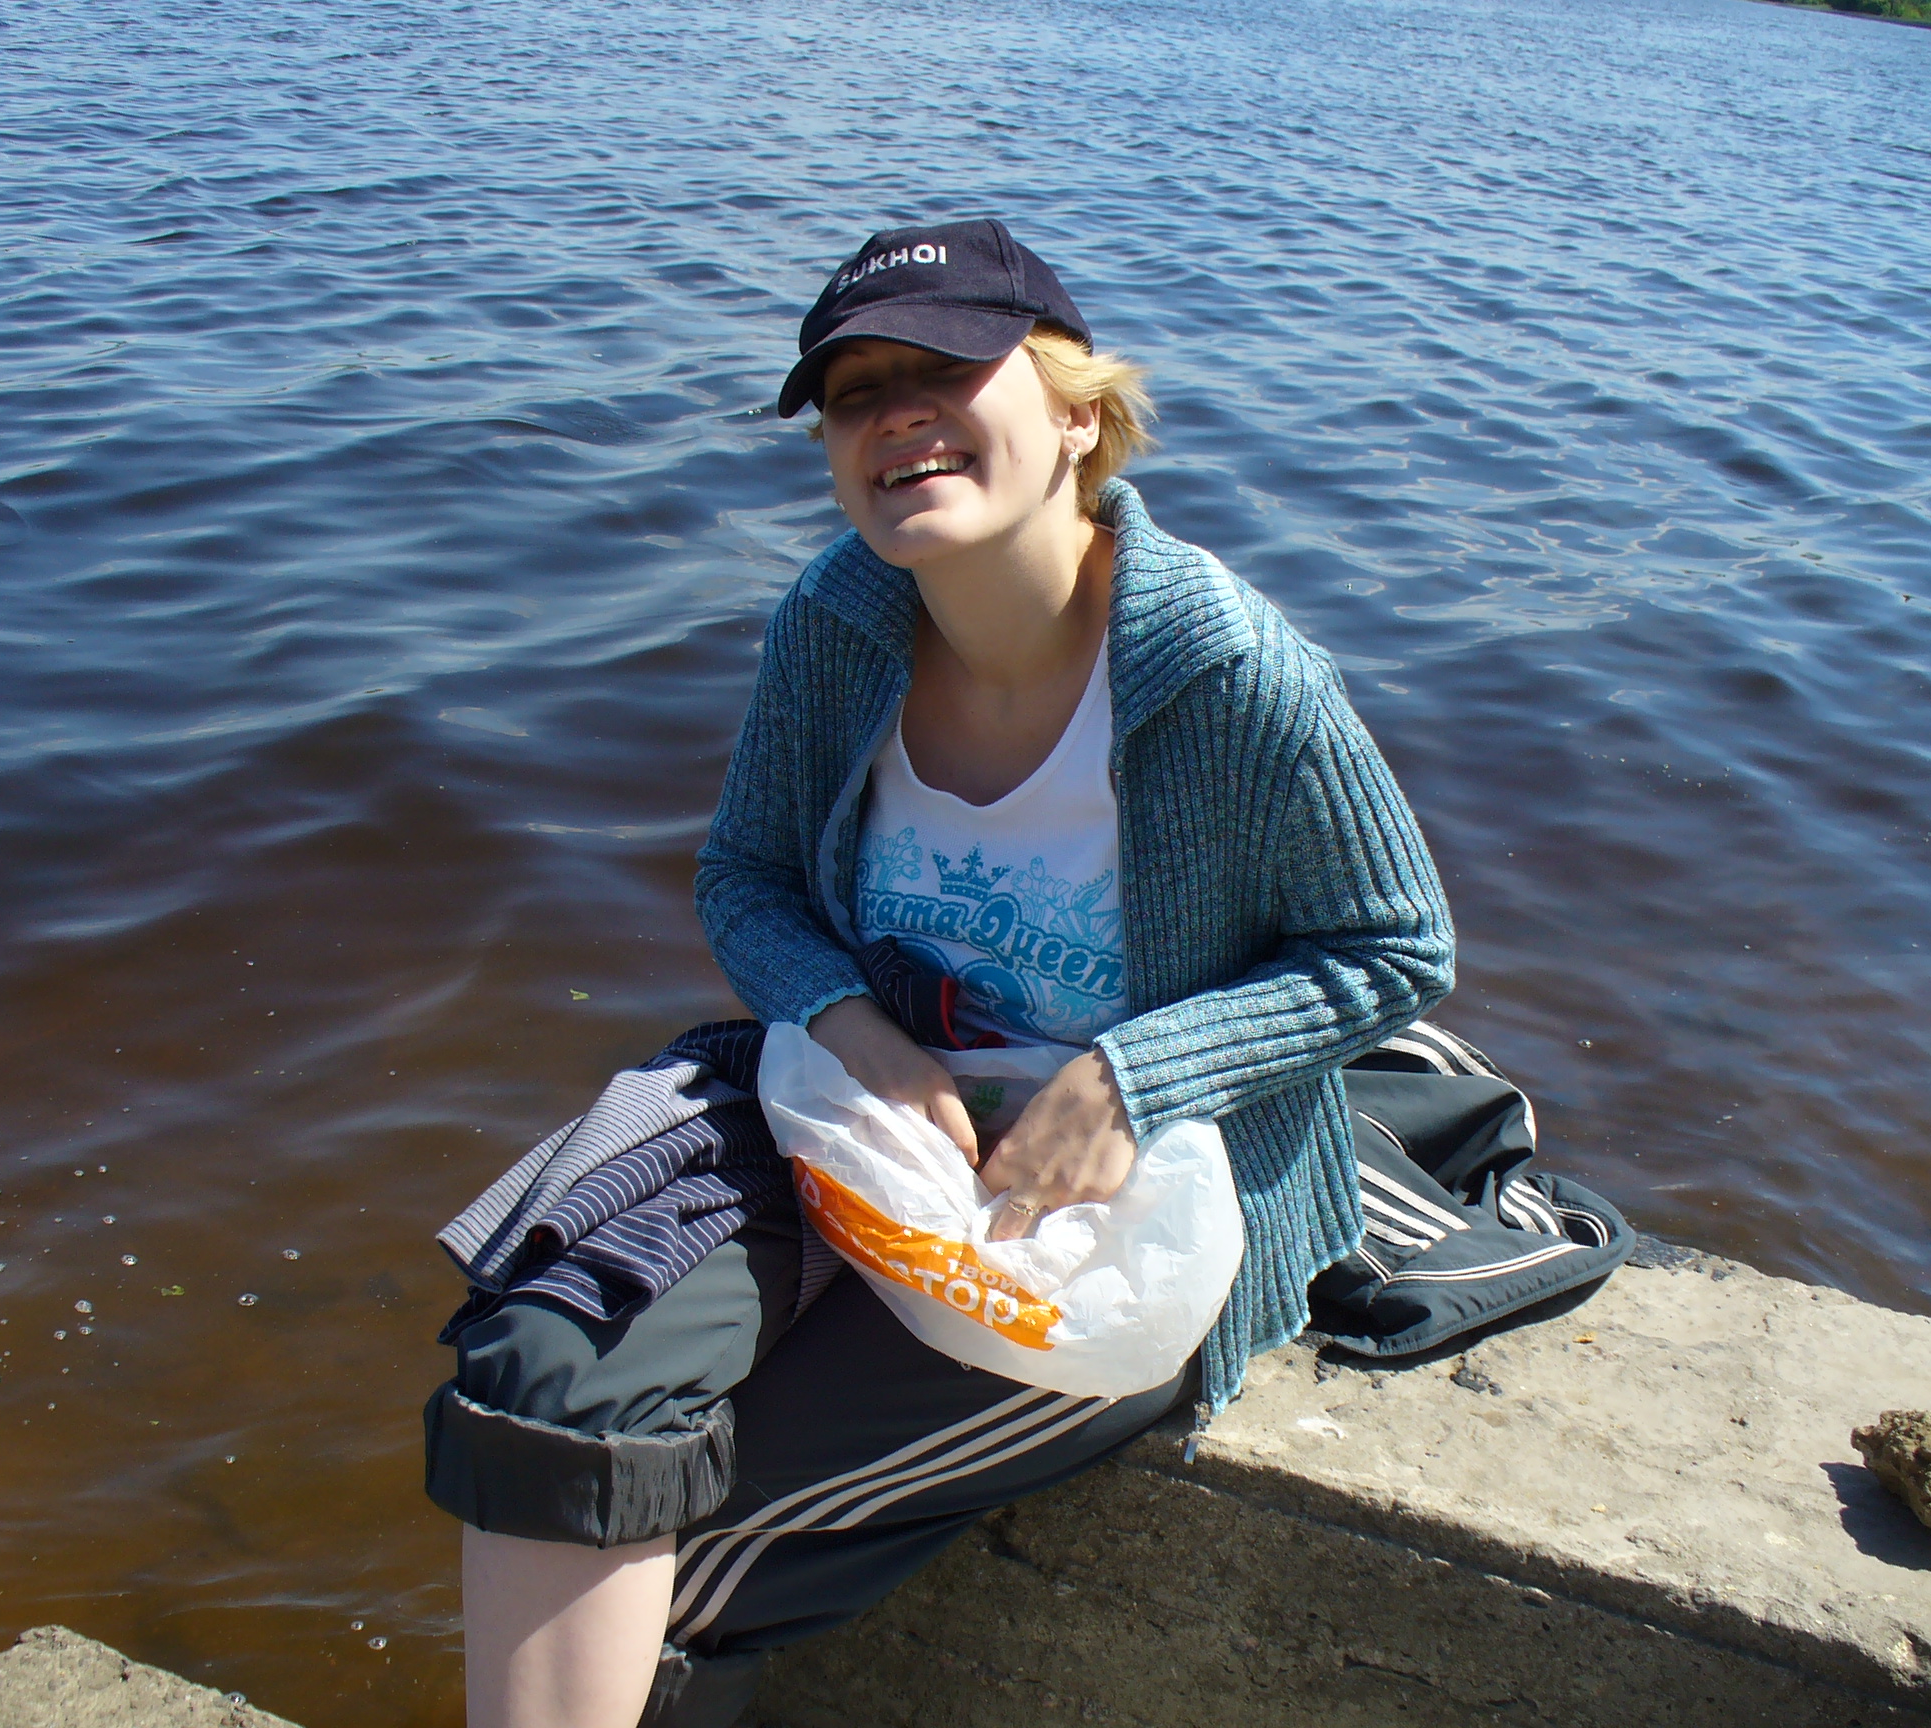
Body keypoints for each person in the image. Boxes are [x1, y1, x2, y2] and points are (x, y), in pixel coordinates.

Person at [426, 218, 1456, 1728]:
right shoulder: (836, 623)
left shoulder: (1229, 676)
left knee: (687, 1546)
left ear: (1076, 415)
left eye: (947, 370)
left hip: (1111, 1209)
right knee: (542, 1364)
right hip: (849, 1104)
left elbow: (1397, 947)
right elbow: (746, 880)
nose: (896, 415)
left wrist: (1130, 1076)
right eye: (854, 395)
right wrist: (857, 1030)